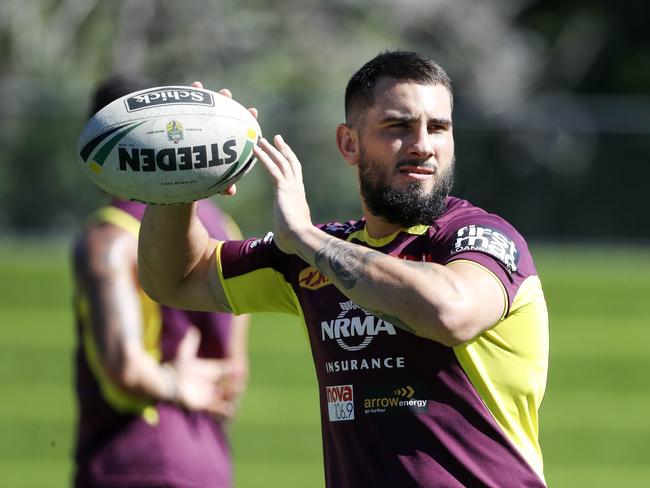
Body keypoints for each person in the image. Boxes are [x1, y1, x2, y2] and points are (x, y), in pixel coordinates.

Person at [138, 51, 549, 487]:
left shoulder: (480, 237)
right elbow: (176, 279)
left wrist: (308, 239)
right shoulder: (312, 256)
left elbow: (450, 312)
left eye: (439, 127)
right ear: (349, 143)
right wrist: (178, 182)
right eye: (398, 127)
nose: (423, 145)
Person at [72, 75, 249, 488]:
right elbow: (233, 377)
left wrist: (174, 383)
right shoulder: (226, 227)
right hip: (207, 461)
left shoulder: (110, 236)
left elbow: (124, 369)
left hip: (132, 458)